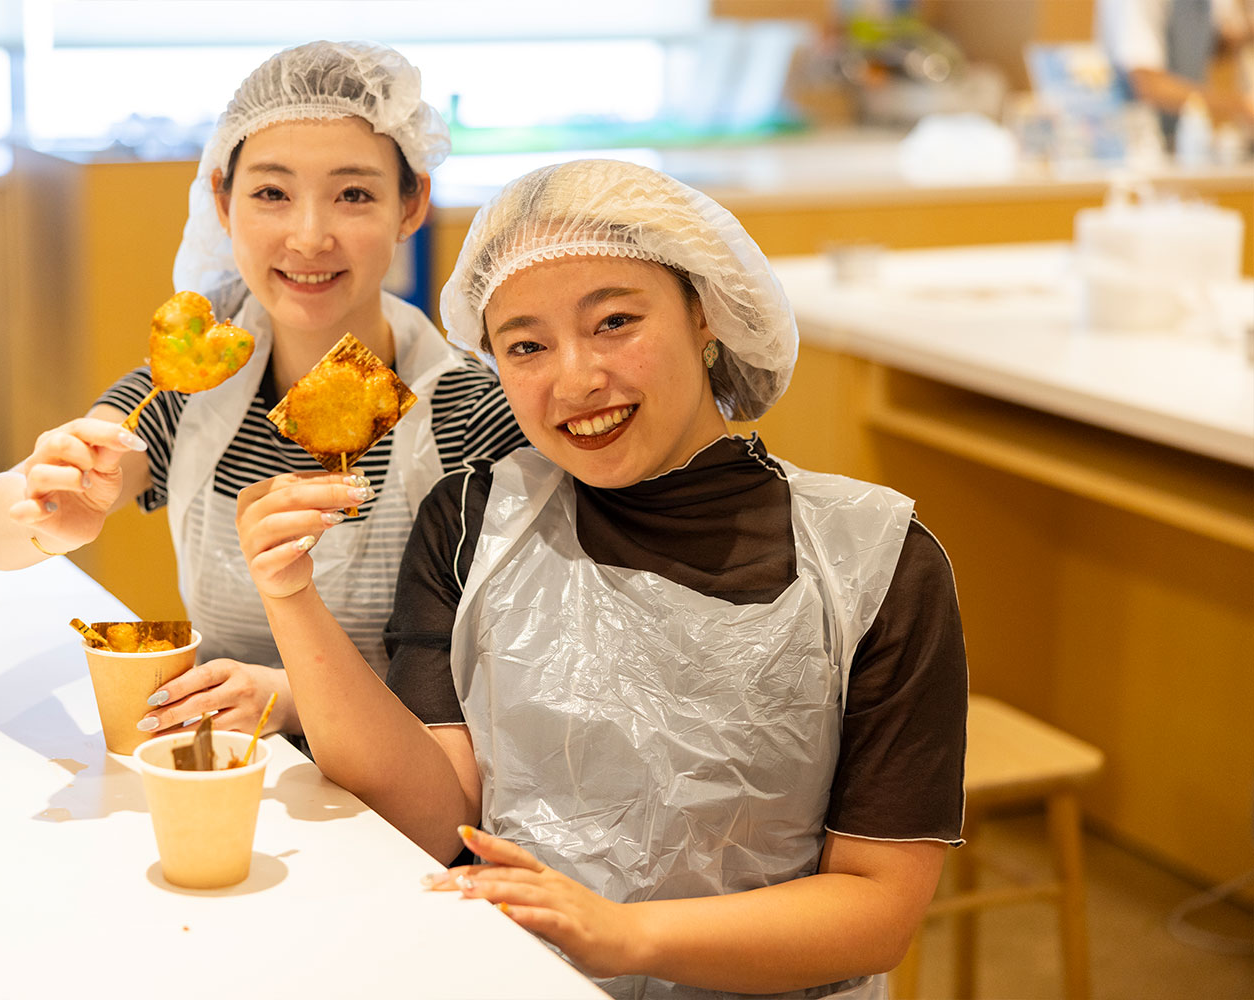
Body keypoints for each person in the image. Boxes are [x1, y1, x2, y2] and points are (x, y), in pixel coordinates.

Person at [235, 159, 967, 999]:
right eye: (526, 346)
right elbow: (437, 816)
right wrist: (292, 598)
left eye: (615, 321)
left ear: (704, 312)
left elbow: (878, 911)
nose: (576, 379)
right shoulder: (471, 522)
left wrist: (625, 935)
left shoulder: (876, 561)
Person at [0, 41, 529, 739]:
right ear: (222, 203)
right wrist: (44, 512)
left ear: (412, 206)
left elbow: (512, 668)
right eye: (271, 193)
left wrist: (292, 696)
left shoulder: (470, 412)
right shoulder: (196, 384)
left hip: (404, 799)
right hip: (220, 767)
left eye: (353, 194)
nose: (309, 236)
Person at [1096, 0, 1254, 133]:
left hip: (1181, 136)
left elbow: (1215, 40)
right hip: (1130, 142)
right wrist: (1241, 104)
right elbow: (1148, 84)